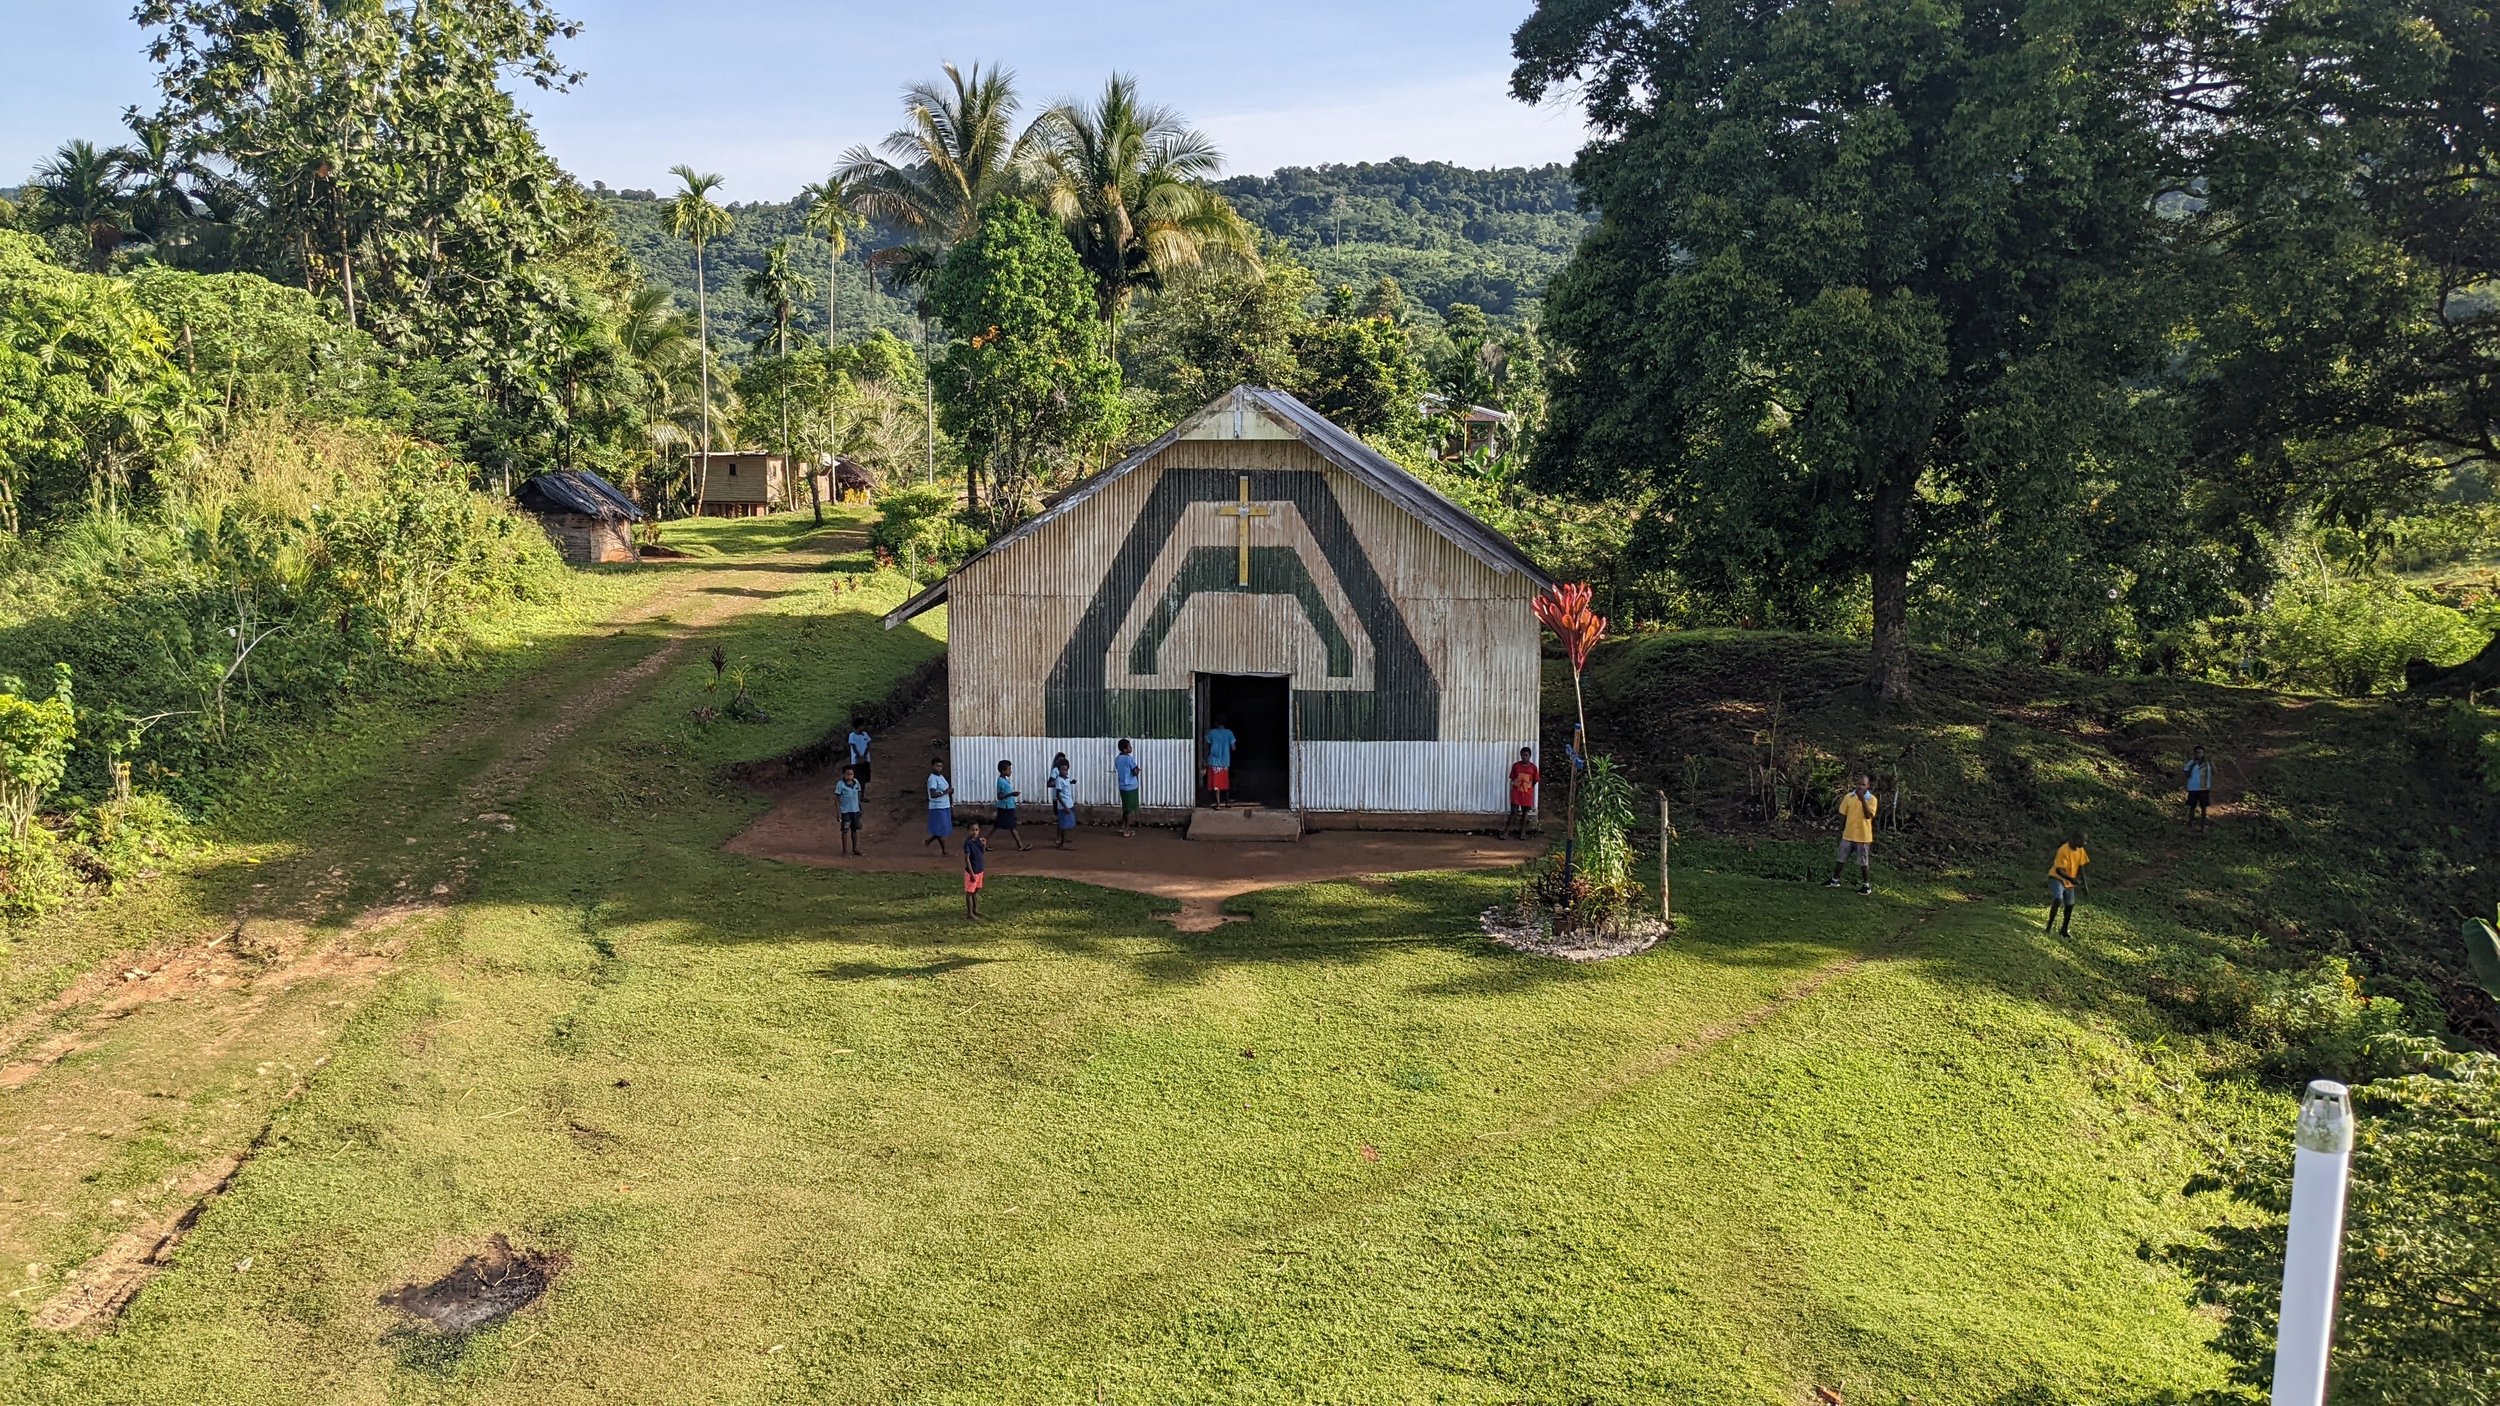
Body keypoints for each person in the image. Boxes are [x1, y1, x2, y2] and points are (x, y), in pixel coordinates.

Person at [1827, 773, 1878, 895]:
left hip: (1863, 836)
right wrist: (1840, 830)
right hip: (1848, 834)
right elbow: (1843, 815)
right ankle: (1835, 880)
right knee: (1840, 859)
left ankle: (1866, 885)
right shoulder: (1849, 797)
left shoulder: (1872, 799)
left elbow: (1868, 815)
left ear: (1868, 786)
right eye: (1859, 784)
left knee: (1863, 862)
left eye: (1863, 785)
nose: (1860, 787)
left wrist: (1862, 800)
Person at [2046, 829, 2090, 936]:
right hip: (2057, 878)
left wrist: (2085, 885)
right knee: (2058, 899)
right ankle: (2049, 926)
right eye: (2083, 841)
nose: (2084, 843)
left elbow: (2081, 867)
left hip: (2069, 880)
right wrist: (2071, 879)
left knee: (2070, 905)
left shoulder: (2080, 850)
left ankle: (2064, 930)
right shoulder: (2063, 850)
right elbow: (2059, 870)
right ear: (2076, 839)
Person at [992, 759, 1029, 851]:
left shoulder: (1003, 780)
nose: (1010, 771)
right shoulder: (1001, 781)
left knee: (998, 826)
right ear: (1003, 771)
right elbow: (1000, 796)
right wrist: (1011, 794)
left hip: (1006, 806)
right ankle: (1020, 845)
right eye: (1009, 769)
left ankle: (983, 843)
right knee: (1011, 826)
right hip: (1005, 807)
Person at [1505, 746, 1539, 840]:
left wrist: (1529, 787)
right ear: (1520, 755)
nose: (1524, 757)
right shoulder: (1516, 766)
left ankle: (1522, 833)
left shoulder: (1533, 767)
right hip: (1516, 793)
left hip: (1527, 794)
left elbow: (1536, 780)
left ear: (1530, 756)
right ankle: (1506, 832)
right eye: (1523, 755)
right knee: (1513, 813)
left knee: (1525, 813)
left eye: (1526, 755)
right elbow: (1512, 778)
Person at [1206, 718, 1237, 809]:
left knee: (1216, 784)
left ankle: (1218, 804)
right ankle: (1227, 802)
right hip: (1225, 762)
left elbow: (1207, 747)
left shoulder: (1211, 733)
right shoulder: (1229, 733)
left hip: (1214, 761)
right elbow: (1234, 747)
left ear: (1216, 723)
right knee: (1225, 782)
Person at [924, 757, 953, 854]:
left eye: (941, 766)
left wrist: (949, 792)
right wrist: (945, 792)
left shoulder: (941, 777)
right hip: (937, 806)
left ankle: (929, 841)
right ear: (933, 766)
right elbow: (933, 794)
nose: (939, 768)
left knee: (942, 828)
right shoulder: (932, 779)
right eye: (937, 766)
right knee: (941, 828)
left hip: (945, 805)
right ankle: (944, 851)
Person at [834, 763, 864, 857]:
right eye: (847, 774)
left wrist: (859, 807)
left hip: (855, 811)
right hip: (845, 812)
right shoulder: (840, 784)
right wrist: (838, 813)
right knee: (845, 830)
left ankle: (855, 849)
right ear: (844, 774)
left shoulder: (856, 783)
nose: (849, 776)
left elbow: (858, 795)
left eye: (851, 774)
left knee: (854, 830)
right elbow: (836, 799)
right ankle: (845, 851)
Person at [1114, 738, 1142, 837]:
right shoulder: (1129, 758)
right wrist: (1138, 770)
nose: (1131, 748)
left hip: (1122, 786)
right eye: (1129, 746)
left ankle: (1122, 826)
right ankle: (1127, 830)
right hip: (1131, 786)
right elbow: (1134, 772)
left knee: (1125, 807)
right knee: (1129, 809)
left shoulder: (1117, 759)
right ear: (1125, 749)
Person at [1049, 755, 1078, 849]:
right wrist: (1064, 806)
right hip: (1064, 805)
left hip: (1069, 803)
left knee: (1066, 824)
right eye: (1062, 769)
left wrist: (1071, 782)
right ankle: (1062, 843)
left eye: (1065, 769)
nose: (1064, 771)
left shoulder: (1067, 778)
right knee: (1064, 825)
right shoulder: (1059, 780)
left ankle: (1062, 841)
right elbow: (1058, 794)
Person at [963, 822, 987, 921]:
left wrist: (984, 845)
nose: (974, 832)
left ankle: (975, 909)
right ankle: (970, 913)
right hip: (972, 872)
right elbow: (967, 858)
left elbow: (982, 853)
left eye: (976, 830)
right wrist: (972, 873)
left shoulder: (978, 841)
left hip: (979, 870)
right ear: (969, 831)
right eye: (972, 830)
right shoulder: (968, 843)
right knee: (970, 893)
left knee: (976, 891)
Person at [2184, 746, 2212, 826]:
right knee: (2192, 806)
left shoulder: (2206, 764)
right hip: (2193, 788)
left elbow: (2215, 772)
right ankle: (2191, 823)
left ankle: (2203, 824)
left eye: (2200, 752)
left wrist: (2211, 763)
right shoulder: (2190, 763)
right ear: (2194, 753)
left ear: (2203, 754)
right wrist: (2192, 765)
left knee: (2204, 807)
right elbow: (2186, 774)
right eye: (2196, 752)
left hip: (2204, 788)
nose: (2198, 754)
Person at [845, 717, 873, 793]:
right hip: (857, 760)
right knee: (857, 778)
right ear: (859, 726)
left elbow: (868, 744)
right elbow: (854, 747)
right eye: (863, 725)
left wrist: (863, 756)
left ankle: (861, 796)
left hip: (864, 759)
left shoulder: (865, 734)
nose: (864, 726)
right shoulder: (852, 735)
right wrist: (860, 756)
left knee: (863, 779)